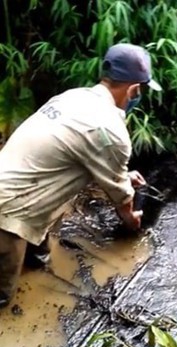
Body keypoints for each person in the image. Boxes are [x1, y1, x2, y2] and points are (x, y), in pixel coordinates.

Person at [0, 43, 162, 308]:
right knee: (2, 295)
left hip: (17, 191)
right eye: (140, 90)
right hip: (10, 212)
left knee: (39, 259)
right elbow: (122, 202)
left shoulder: (73, 97)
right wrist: (132, 219)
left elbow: (84, 154)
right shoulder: (111, 130)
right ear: (133, 89)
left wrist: (121, 175)